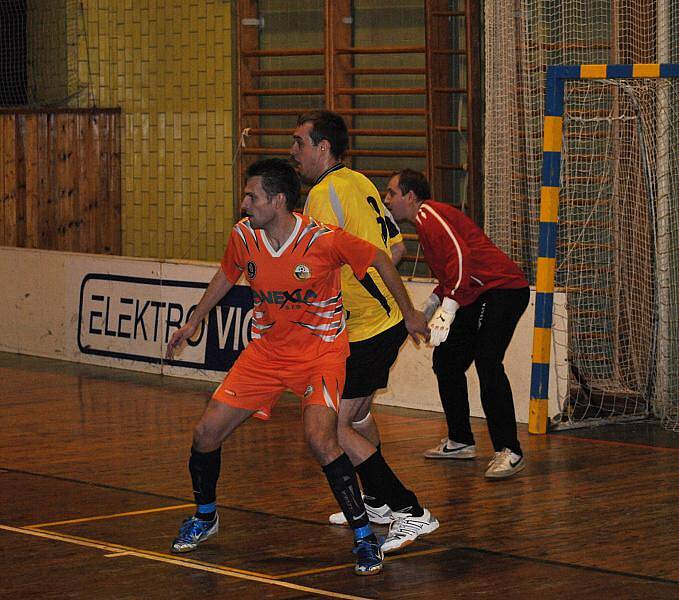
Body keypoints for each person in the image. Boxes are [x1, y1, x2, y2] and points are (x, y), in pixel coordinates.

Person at [166, 158, 428, 576]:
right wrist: (195, 320)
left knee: (321, 439)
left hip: (320, 354)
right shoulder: (244, 235)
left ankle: (364, 537)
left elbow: (380, 258)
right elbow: (226, 274)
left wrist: (410, 313)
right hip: (266, 355)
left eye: (252, 196)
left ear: (278, 200)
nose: (245, 202)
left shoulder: (322, 240)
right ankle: (205, 516)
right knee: (205, 433)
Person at [291, 110, 439, 553]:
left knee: (332, 430)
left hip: (369, 327)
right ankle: (375, 502)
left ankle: (410, 510)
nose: (292, 152)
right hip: (377, 322)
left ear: (322, 148)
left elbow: (329, 265)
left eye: (299, 143)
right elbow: (396, 245)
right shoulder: (357, 182)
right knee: (355, 418)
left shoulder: (324, 195)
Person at [384, 169, 530, 479]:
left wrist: (448, 312)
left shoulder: (428, 215)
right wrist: (430, 309)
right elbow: (452, 276)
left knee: (487, 361)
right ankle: (461, 440)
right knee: (447, 360)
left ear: (410, 197)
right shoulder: (425, 226)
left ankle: (510, 450)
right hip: (476, 293)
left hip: (502, 289)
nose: (387, 200)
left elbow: (462, 260)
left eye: (391, 193)